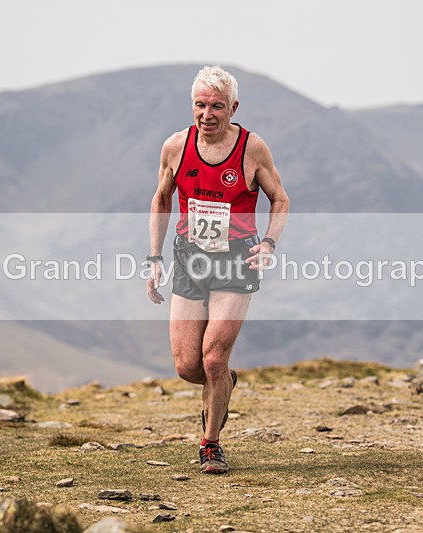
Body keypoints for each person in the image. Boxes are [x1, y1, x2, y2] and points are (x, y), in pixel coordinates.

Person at [147, 66, 289, 474]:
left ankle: (211, 443)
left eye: (217, 106)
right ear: (192, 106)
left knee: (212, 359)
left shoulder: (251, 149)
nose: (207, 114)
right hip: (190, 258)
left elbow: (280, 199)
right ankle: (224, 383)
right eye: (200, 105)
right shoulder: (175, 147)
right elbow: (161, 200)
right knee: (187, 366)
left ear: (233, 108)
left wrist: (268, 242)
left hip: (236, 260)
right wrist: (154, 257)